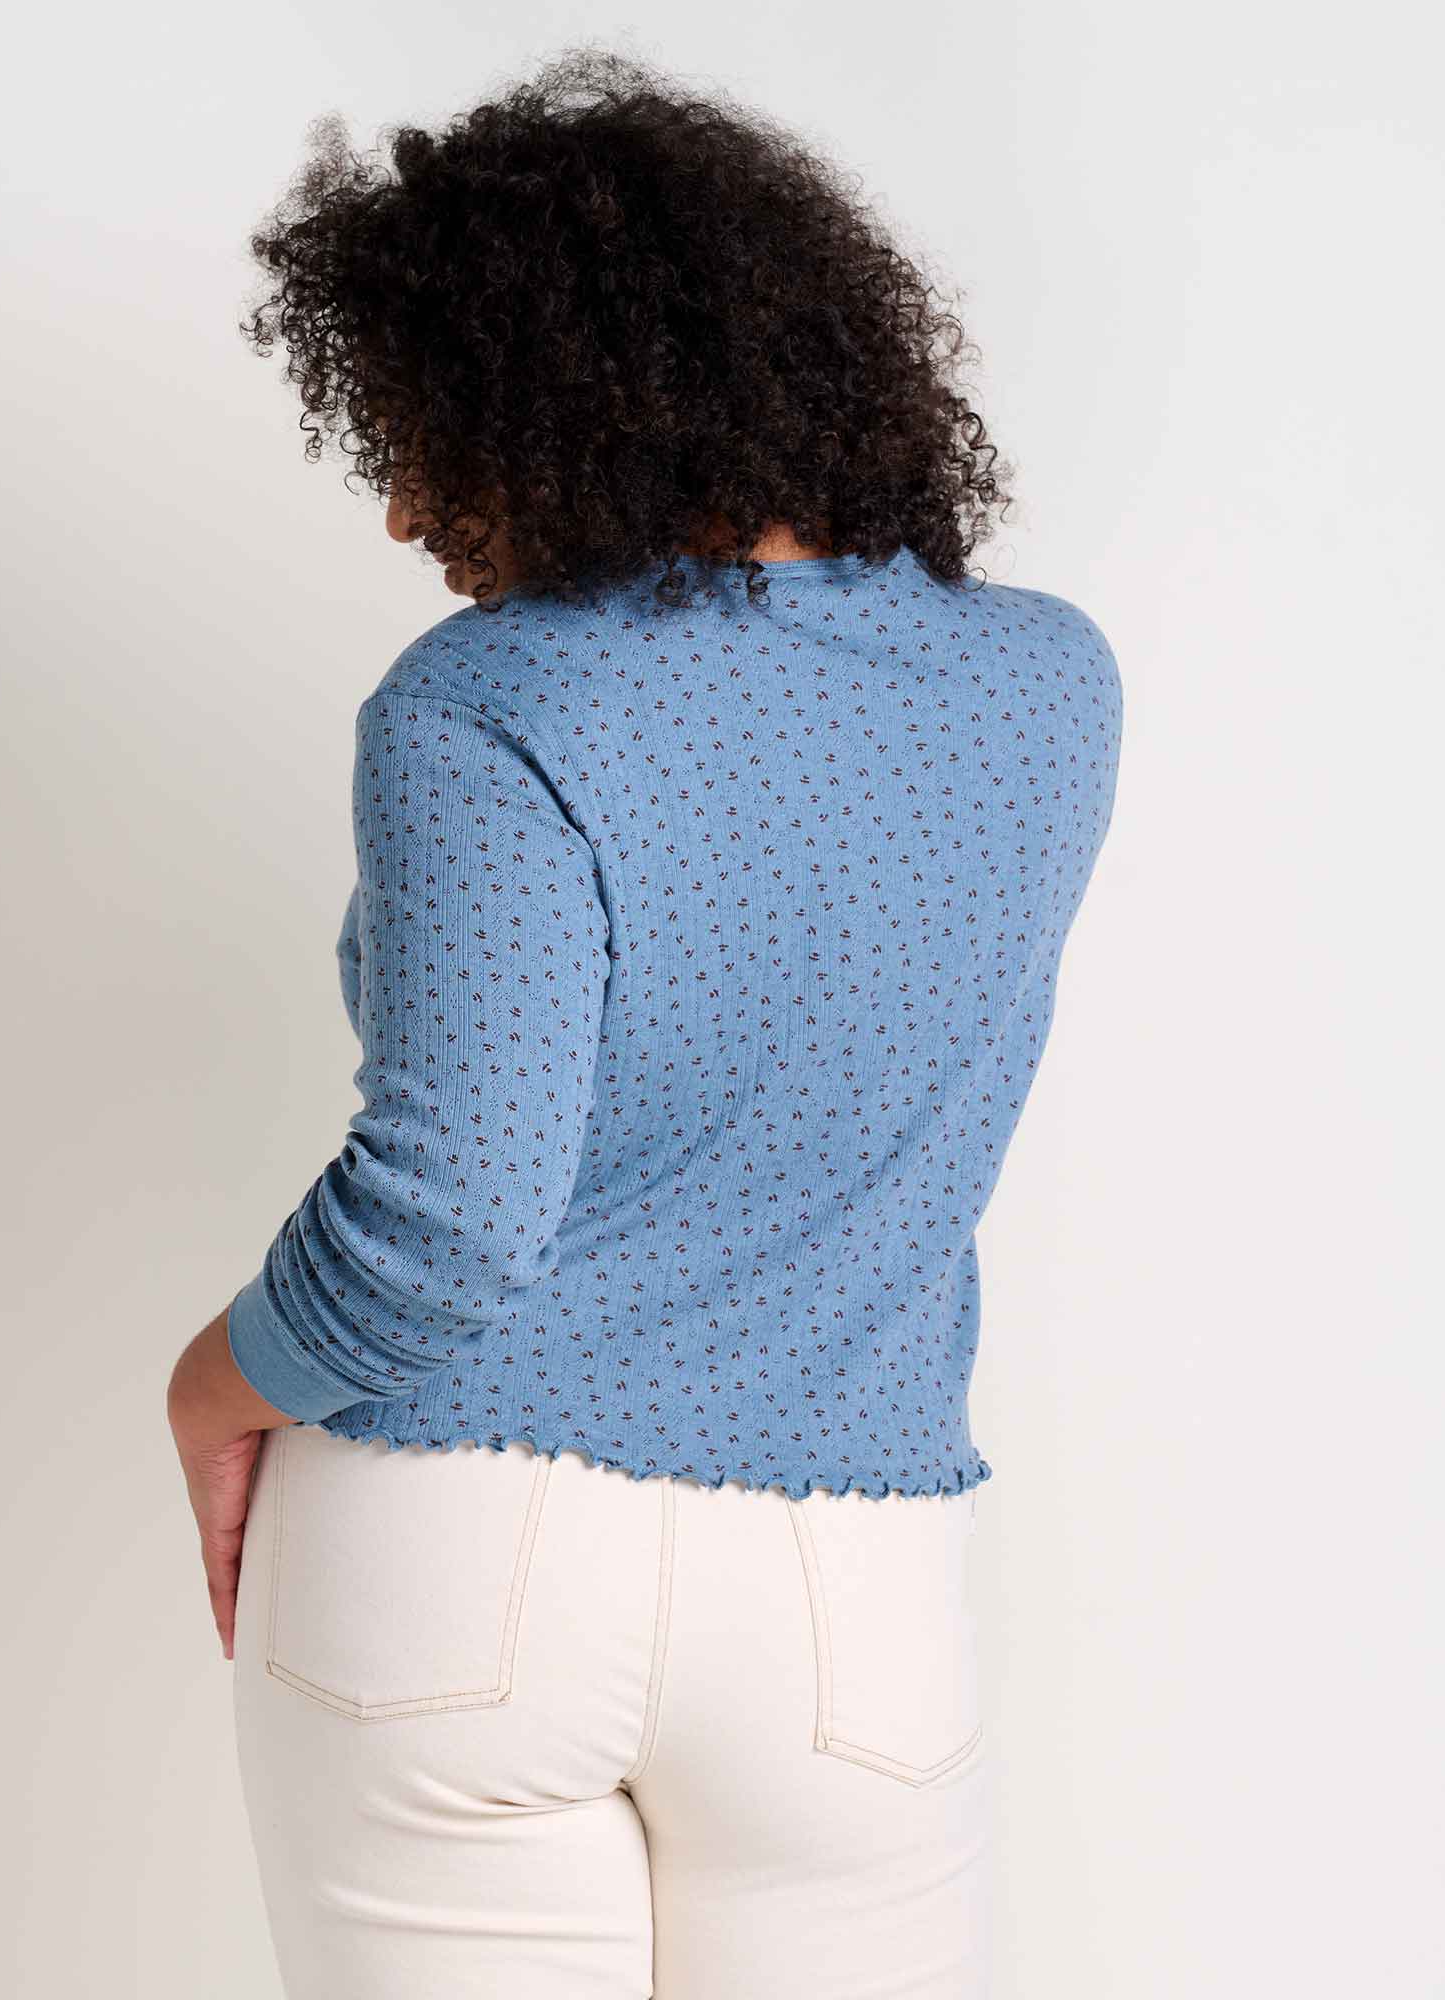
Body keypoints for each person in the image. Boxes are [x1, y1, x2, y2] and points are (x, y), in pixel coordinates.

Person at [166, 47, 1122, 2000]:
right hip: (855, 1596)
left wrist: (209, 1385)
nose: (406, 509)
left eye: (431, 433)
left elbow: (445, 1223)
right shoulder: (1049, 688)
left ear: (573, 401)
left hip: (461, 1572)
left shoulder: (487, 700)